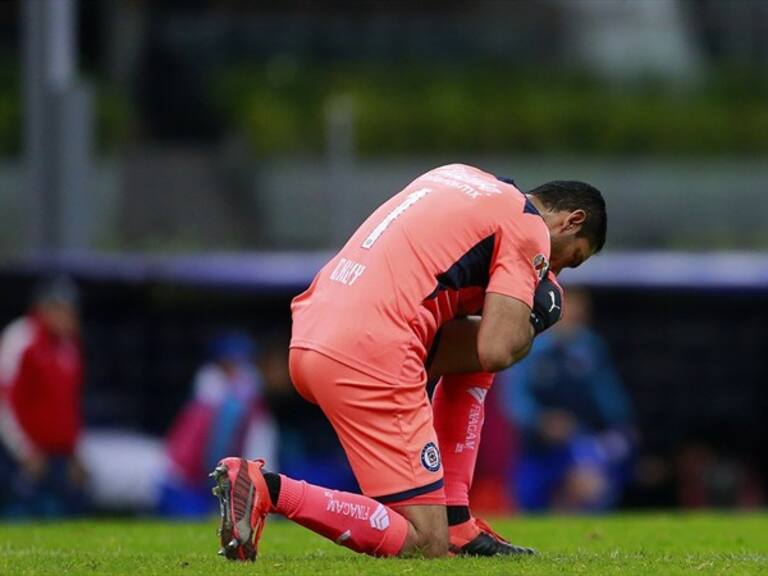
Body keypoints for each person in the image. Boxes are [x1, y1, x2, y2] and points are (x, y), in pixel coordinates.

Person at [210, 163, 607, 560]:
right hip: (371, 350)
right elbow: (497, 349)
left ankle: (458, 522)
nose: (555, 271)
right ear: (573, 220)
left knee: (473, 354)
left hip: (311, 334)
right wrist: (536, 317)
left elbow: (444, 296)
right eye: (570, 260)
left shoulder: (458, 177)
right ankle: (266, 488)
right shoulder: (529, 228)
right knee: (424, 541)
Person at [500, 289, 633, 512]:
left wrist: (620, 425)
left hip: (579, 440)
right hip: (536, 445)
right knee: (531, 504)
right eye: (567, 313)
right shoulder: (529, 346)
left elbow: (608, 395)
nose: (572, 321)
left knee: (594, 486)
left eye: (579, 315)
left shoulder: (589, 348)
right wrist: (541, 421)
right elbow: (514, 398)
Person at [158, 331, 277, 517]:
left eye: (240, 362)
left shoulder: (251, 396)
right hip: (185, 477)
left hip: (225, 477)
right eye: (229, 363)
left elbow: (258, 447)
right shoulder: (208, 389)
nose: (235, 369)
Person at [0, 277, 87, 517]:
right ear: (45, 308)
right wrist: (23, 450)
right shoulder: (20, 337)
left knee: (64, 520)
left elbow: (69, 405)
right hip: (21, 455)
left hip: (57, 456)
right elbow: (4, 400)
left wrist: (74, 451)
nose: (70, 317)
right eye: (63, 310)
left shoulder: (68, 345)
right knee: (19, 520)